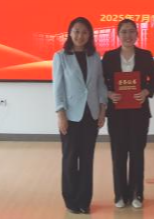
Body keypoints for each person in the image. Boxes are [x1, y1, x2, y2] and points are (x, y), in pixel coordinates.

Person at [102, 19, 154, 209]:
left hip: (139, 113)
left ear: (137, 34)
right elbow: (99, 81)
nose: (128, 35)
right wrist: (109, 94)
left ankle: (137, 194)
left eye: (132, 31)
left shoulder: (145, 55)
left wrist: (146, 92)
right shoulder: (109, 56)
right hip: (117, 113)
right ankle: (120, 194)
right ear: (118, 35)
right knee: (118, 154)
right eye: (124, 32)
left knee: (136, 153)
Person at [52, 16, 107, 215]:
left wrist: (102, 111)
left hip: (91, 115)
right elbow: (58, 88)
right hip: (70, 116)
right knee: (69, 159)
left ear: (90, 35)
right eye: (76, 31)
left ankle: (84, 201)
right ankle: (71, 200)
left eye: (84, 32)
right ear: (70, 33)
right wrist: (61, 114)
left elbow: (100, 84)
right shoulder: (60, 56)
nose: (80, 36)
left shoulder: (95, 56)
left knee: (87, 159)